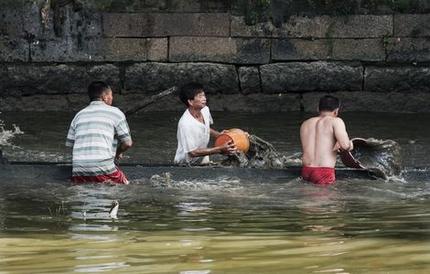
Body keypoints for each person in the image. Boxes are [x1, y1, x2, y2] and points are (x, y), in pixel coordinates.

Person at [65, 81, 133, 184]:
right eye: (111, 95)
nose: (112, 98)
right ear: (104, 97)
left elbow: (69, 146)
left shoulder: (78, 115)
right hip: (102, 167)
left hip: (78, 170)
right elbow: (127, 143)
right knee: (126, 185)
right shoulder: (116, 112)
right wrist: (117, 153)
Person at [174, 83, 236, 165]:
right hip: (185, 164)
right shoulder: (186, 124)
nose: (204, 99)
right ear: (190, 102)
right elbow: (192, 153)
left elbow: (205, 128)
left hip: (202, 156)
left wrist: (220, 135)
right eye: (200, 96)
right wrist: (220, 149)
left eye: (204, 95)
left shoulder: (205, 110)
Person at [300, 95, 353, 184]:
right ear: (336, 111)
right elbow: (345, 145)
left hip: (306, 170)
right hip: (324, 171)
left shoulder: (305, 124)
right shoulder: (336, 121)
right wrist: (351, 144)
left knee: (307, 197)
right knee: (327, 197)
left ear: (318, 109)